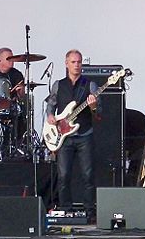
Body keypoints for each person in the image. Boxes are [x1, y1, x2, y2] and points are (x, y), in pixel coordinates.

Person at [45, 49, 99, 213]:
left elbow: (98, 114)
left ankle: (89, 210)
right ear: (66, 63)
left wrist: (93, 107)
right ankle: (65, 209)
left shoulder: (90, 85)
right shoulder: (58, 85)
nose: (77, 65)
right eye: (73, 62)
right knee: (63, 176)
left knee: (88, 176)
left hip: (84, 135)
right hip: (63, 137)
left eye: (79, 62)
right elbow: (51, 104)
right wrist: (49, 116)